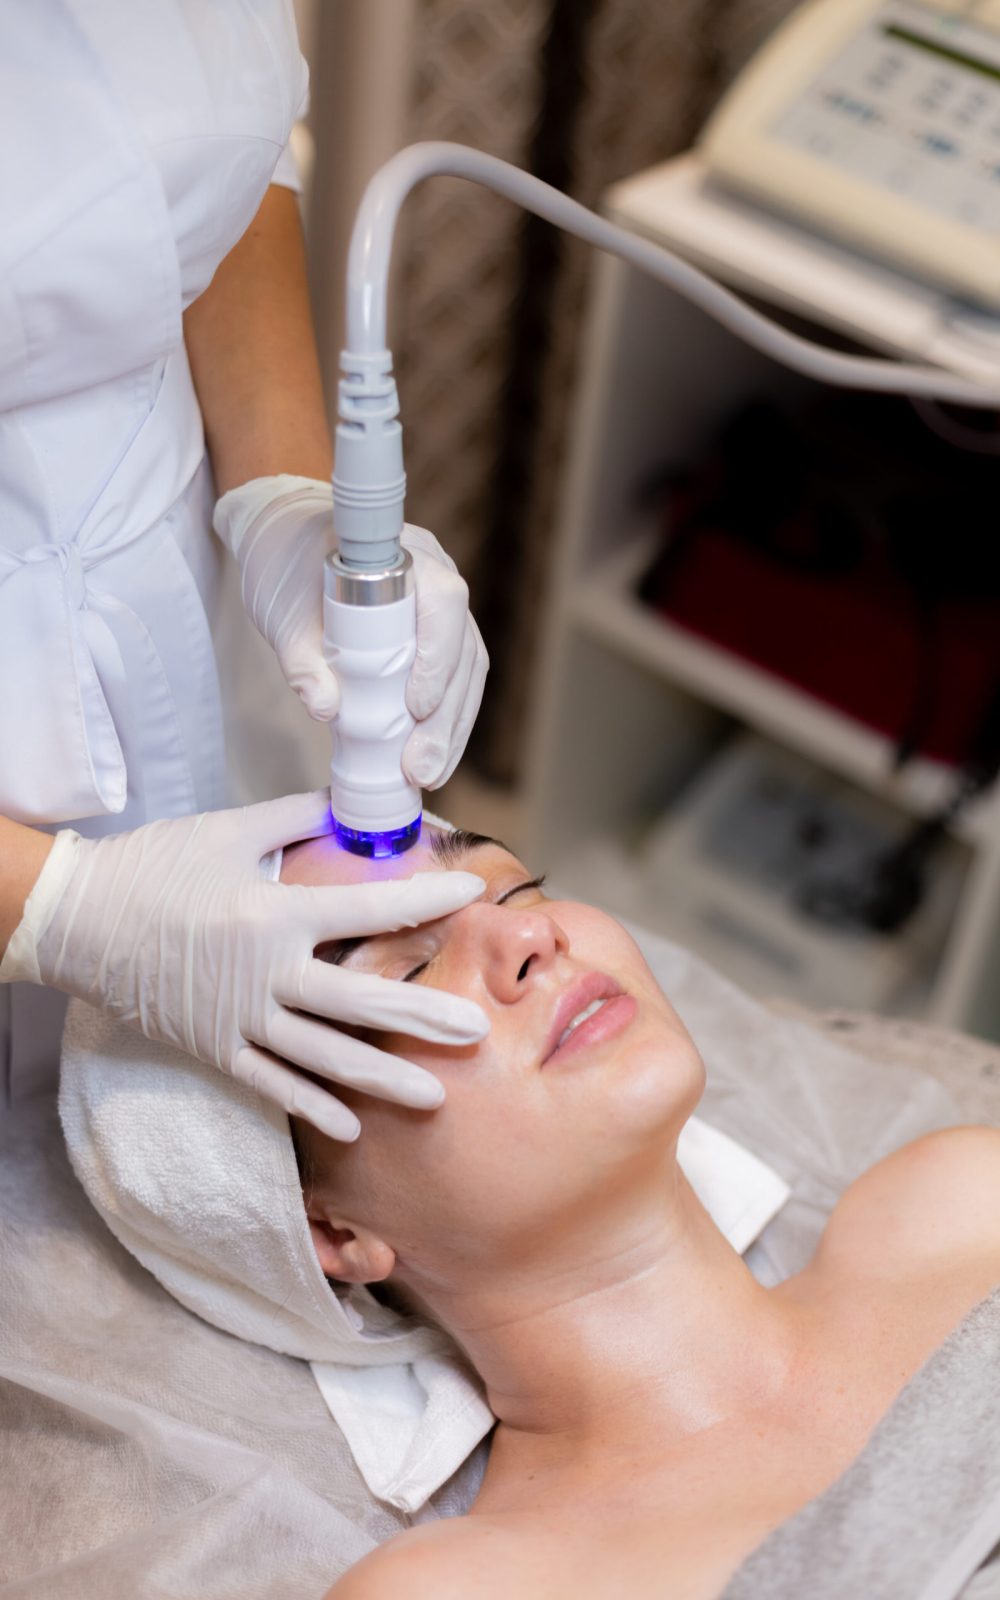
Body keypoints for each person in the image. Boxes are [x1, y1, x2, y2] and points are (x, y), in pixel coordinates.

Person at [271, 825, 1000, 1600]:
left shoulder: (954, 1205)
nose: (529, 932)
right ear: (332, 1229)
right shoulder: (468, 1587)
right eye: (407, 972)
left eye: (518, 887)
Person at [0, 2, 488, 1138]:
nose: (529, 942)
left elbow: (197, 174)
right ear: (335, 1242)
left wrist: (282, 493)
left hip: (167, 577)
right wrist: (61, 911)